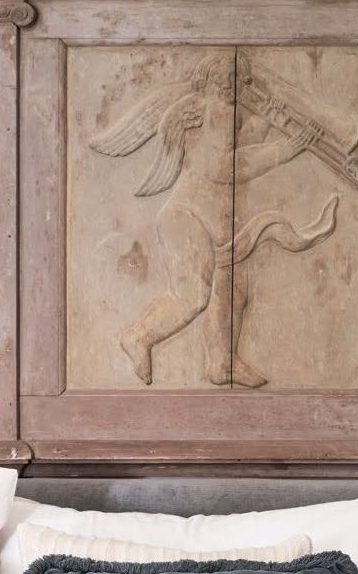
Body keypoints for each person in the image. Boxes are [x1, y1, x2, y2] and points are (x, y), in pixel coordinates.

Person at [88, 51, 341, 388]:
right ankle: (138, 337)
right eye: (231, 77)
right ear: (212, 79)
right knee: (192, 297)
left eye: (241, 78)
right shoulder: (211, 108)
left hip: (214, 226)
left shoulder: (227, 112)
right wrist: (287, 149)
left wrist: (270, 121)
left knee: (235, 290)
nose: (238, 85)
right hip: (187, 219)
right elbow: (225, 167)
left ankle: (222, 363)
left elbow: (242, 146)